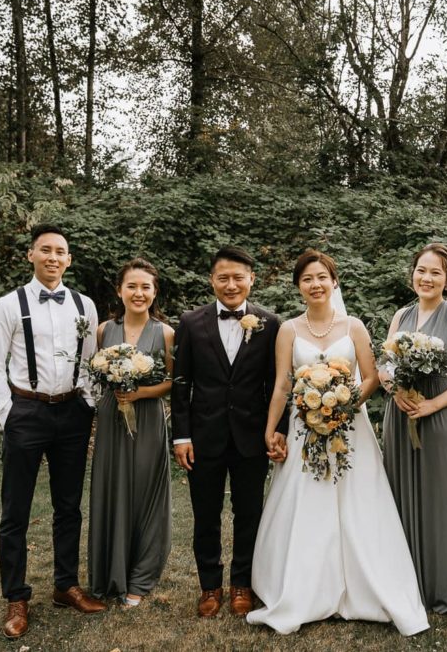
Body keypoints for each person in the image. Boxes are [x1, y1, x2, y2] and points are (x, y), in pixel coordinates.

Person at [246, 250, 429, 637]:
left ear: (334, 281)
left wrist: (344, 406)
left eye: (321, 277)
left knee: (358, 503)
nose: (315, 284)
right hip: (303, 426)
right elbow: (282, 384)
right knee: (307, 502)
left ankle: (365, 587)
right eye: (307, 279)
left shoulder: (353, 326)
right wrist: (271, 428)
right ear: (298, 286)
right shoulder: (288, 330)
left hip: (350, 427)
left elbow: (371, 377)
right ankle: (304, 589)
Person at [0, 224, 107, 640]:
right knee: (15, 510)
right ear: (31, 255)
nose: (53, 257)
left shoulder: (84, 305)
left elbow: (90, 360)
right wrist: (8, 414)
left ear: (69, 260)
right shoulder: (7, 305)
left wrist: (88, 403)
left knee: (68, 506)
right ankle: (16, 597)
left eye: (60, 252)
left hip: (72, 412)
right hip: (26, 411)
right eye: (46, 250)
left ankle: (65, 585)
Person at [170, 246, 285, 618]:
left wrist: (277, 431)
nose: (231, 284)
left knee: (249, 514)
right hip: (204, 436)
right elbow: (181, 383)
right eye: (223, 278)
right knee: (205, 515)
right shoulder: (191, 322)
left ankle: (242, 585)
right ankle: (209, 586)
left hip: (252, 436)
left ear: (252, 279)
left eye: (238, 277)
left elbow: (278, 384)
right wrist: (181, 436)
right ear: (212, 280)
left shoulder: (270, 324)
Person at [381, 243, 447, 613]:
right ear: (412, 273)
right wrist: (394, 391)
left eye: (435, 272)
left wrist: (433, 405)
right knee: (399, 496)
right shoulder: (400, 315)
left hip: (440, 416)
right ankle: (405, 586)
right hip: (401, 415)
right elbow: (384, 366)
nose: (426, 278)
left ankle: (444, 588)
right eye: (421, 270)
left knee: (443, 499)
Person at [88, 258, 174, 606]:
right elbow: (96, 374)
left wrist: (139, 393)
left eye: (146, 287)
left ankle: (140, 577)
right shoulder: (103, 330)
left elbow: (172, 382)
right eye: (132, 286)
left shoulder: (166, 333)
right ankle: (109, 574)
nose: (139, 293)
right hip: (112, 417)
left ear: (154, 292)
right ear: (119, 290)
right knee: (112, 489)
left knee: (146, 492)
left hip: (148, 418)